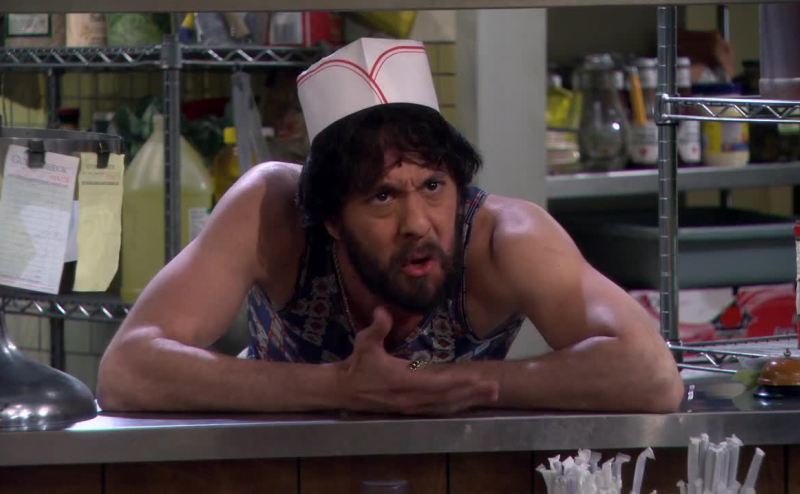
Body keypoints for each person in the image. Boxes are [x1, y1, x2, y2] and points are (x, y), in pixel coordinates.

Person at [98, 38, 683, 415]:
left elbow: (652, 373)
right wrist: (340, 386)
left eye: (433, 187)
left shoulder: (504, 236)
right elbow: (127, 369)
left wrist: (451, 381)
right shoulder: (272, 210)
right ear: (330, 218)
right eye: (382, 196)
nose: (417, 224)